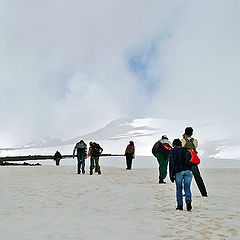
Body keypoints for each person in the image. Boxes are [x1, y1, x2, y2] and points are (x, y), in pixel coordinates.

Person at [181, 127, 208, 197]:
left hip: (185, 161)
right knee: (198, 177)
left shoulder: (182, 141)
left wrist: (183, 138)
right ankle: (204, 193)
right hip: (193, 161)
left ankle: (186, 192)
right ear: (192, 133)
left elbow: (181, 148)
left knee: (186, 177)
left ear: (185, 133)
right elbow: (195, 147)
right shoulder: (195, 141)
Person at [169, 139, 193, 211]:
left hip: (178, 171)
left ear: (174, 145)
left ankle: (180, 206)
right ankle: (188, 200)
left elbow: (172, 164)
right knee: (187, 187)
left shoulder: (173, 151)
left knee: (179, 188)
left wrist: (171, 175)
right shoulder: (187, 149)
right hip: (188, 170)